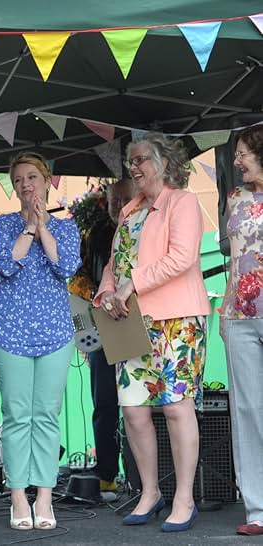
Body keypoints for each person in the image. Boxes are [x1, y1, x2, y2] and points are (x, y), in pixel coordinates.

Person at [95, 133, 210, 532]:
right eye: (131, 161)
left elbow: (182, 257)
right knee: (133, 410)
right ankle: (150, 492)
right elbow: (115, 262)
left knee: (178, 408)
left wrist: (132, 284)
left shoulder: (184, 202)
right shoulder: (129, 211)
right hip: (131, 322)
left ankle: (184, 497)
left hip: (177, 318)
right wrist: (108, 290)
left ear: (165, 162)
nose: (134, 167)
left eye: (142, 159)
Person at [0, 152, 80, 531]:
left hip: (55, 332)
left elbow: (66, 266)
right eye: (20, 180)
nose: (27, 185)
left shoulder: (66, 228)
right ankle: (17, 497)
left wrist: (43, 227)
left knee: (45, 414)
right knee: (16, 415)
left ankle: (44, 495)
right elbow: (6, 263)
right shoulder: (1, 224)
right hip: (10, 331)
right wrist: (28, 229)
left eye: (33, 178)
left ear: (47, 181)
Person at [74, 178, 135, 493]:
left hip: (136, 318)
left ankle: (139, 476)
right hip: (101, 319)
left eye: (124, 199)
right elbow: (78, 277)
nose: (119, 206)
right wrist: (85, 322)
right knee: (104, 402)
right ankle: (107, 472)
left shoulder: (143, 226)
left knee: (137, 401)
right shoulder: (96, 234)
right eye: (114, 201)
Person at [219, 125, 263, 537]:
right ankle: (257, 509)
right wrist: (223, 307)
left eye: (243, 153)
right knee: (247, 408)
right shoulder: (235, 198)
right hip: (239, 312)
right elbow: (235, 255)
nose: (237, 160)